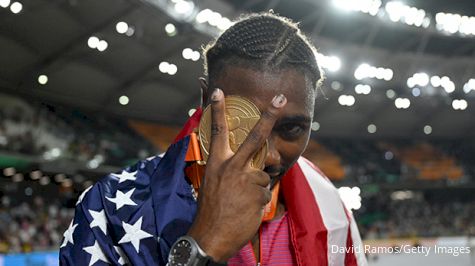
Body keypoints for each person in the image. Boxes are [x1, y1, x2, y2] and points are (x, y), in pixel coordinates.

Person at [60, 12, 367, 266]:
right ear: (206, 99)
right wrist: (203, 247)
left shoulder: (330, 207)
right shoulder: (108, 208)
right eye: (246, 126)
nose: (271, 156)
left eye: (292, 129)